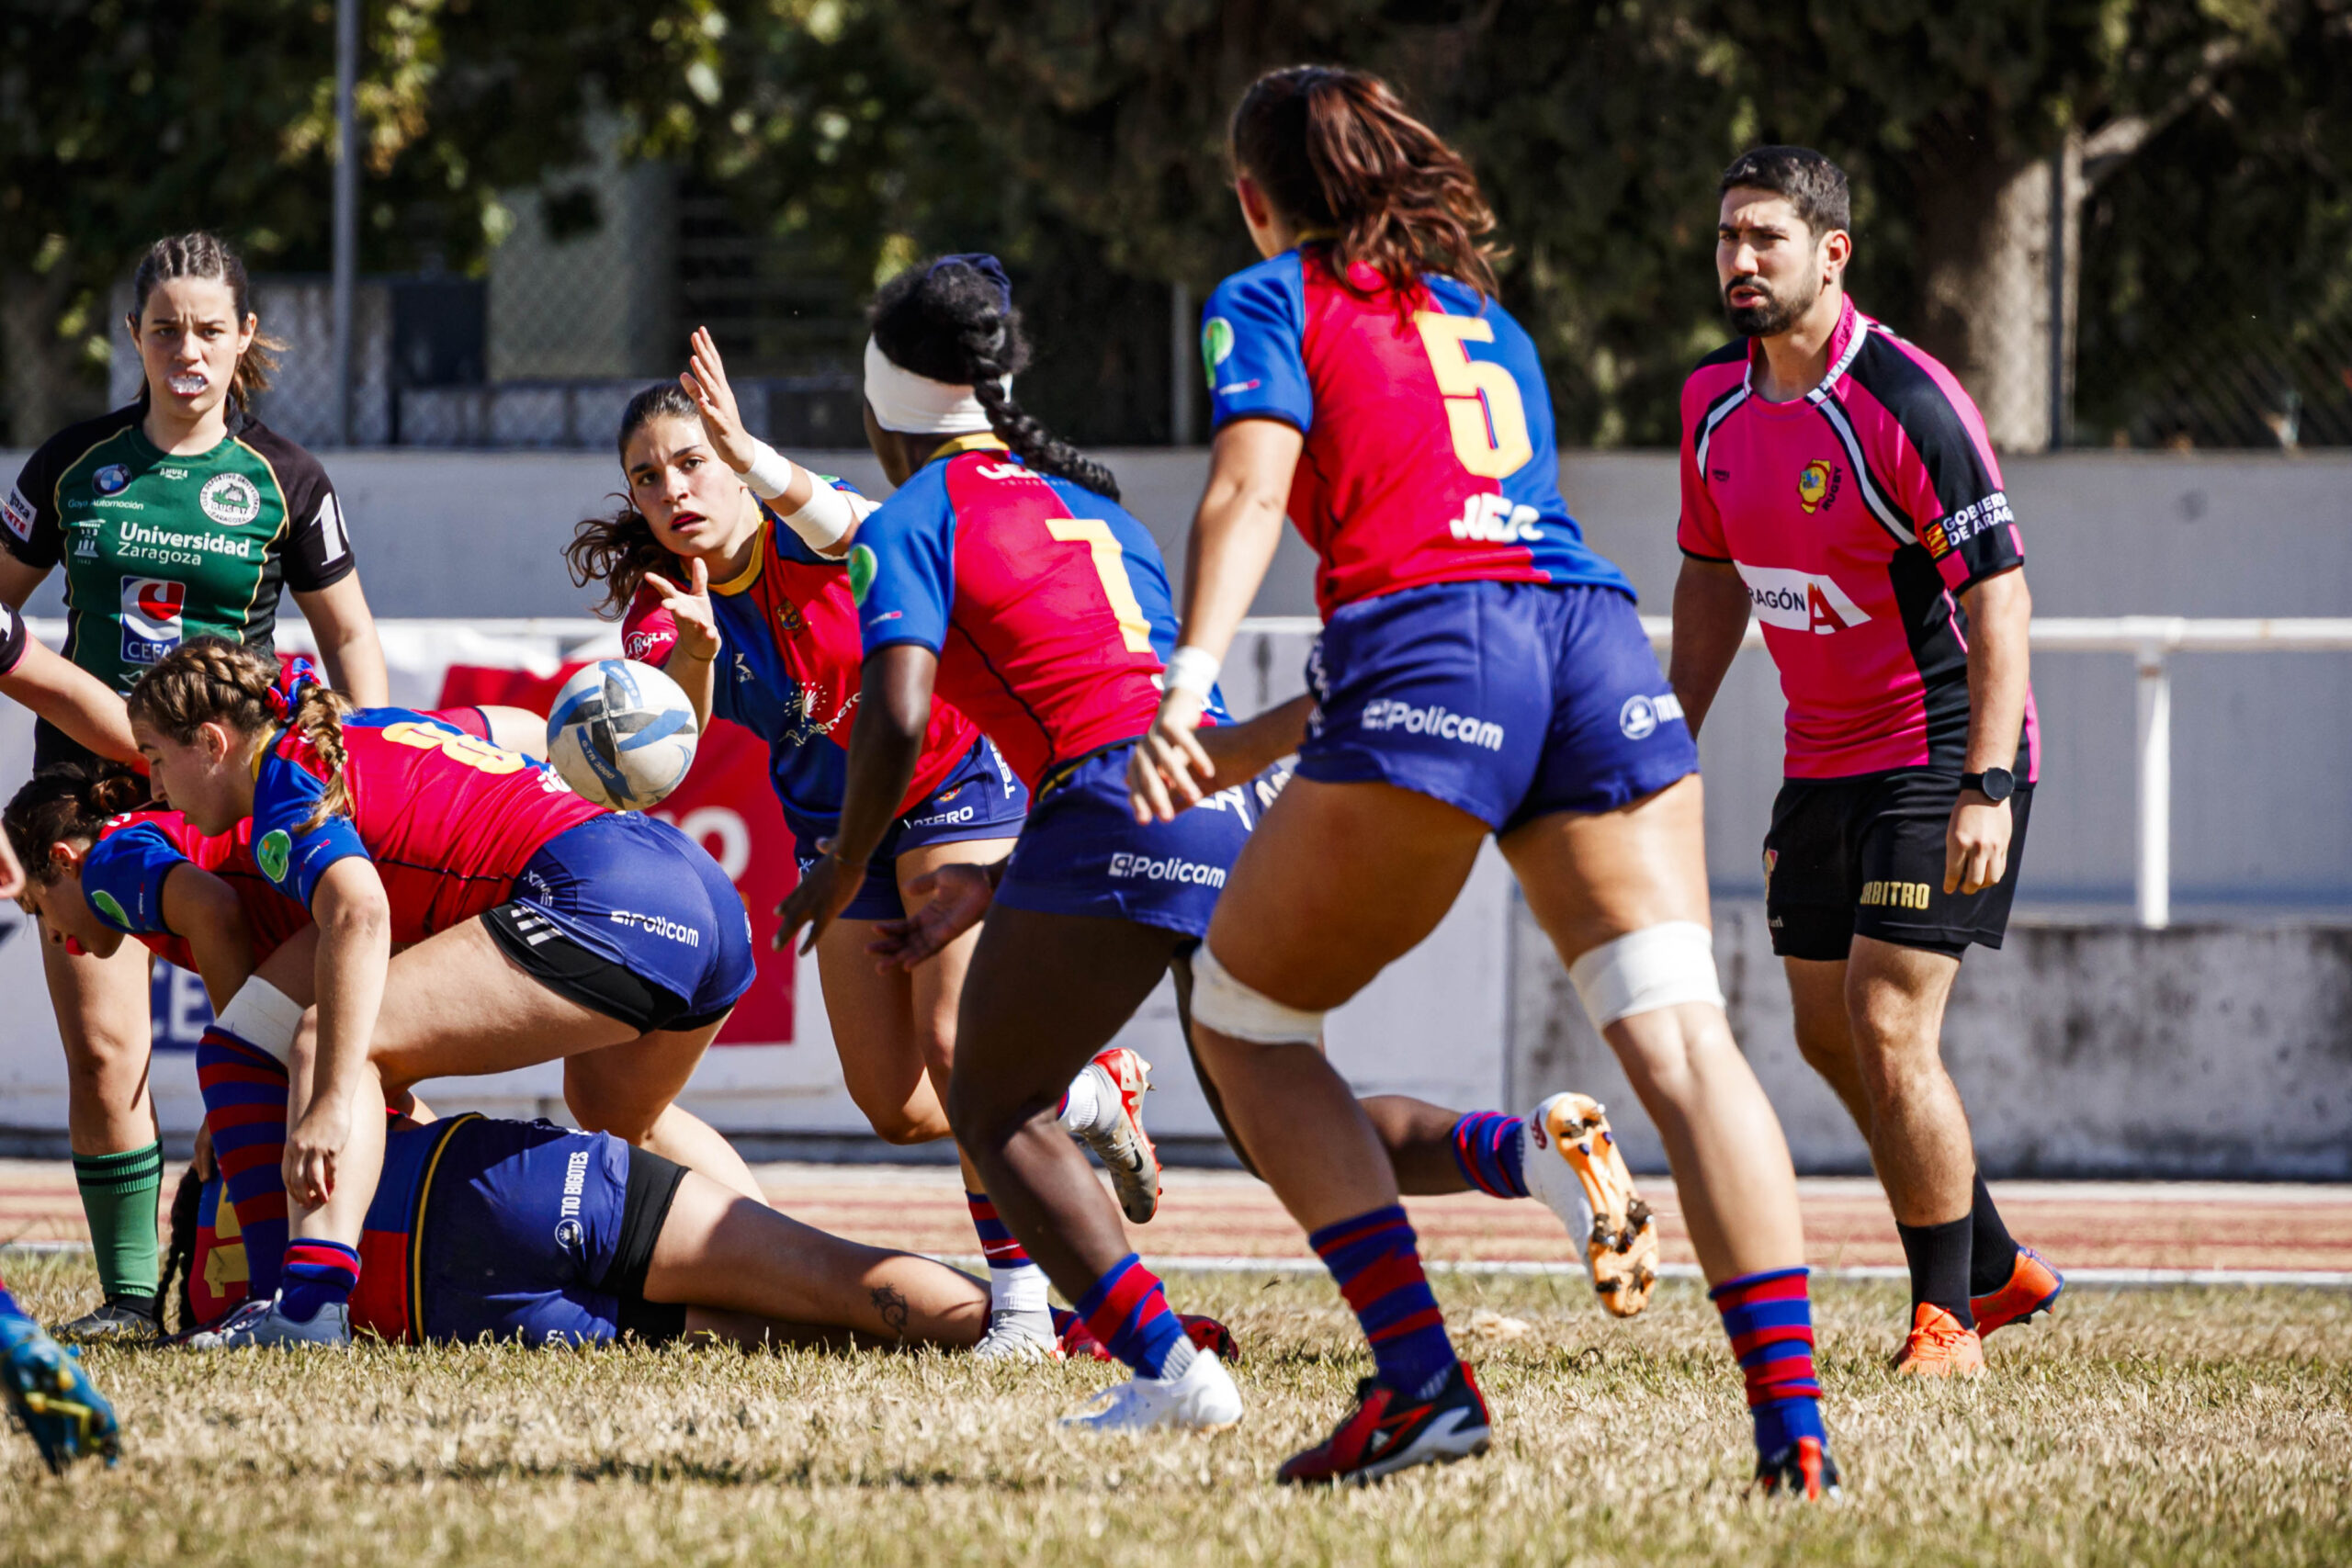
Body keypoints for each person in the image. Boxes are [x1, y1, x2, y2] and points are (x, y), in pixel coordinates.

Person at [775, 253, 1654, 1442]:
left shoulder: (910, 518)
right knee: (1278, 1112)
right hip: (1218, 800)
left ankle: (1165, 1364)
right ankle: (1520, 1152)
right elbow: (1115, 708)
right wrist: (1000, 875)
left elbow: (894, 715)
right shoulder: (1100, 510)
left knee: (991, 1101)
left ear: (884, 413)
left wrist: (843, 866)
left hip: (1111, 805)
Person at [1124, 67, 1835, 1495]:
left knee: (1245, 1022)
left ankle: (1422, 1382)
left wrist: (1186, 685)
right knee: (1688, 1045)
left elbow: (1259, 497)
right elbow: (1486, 583)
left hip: (1444, 653)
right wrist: (1255, 745)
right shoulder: (1483, 317)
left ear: (1257, 199)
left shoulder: (1268, 296)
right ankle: (1796, 1436)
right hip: (1592, 643)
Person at [564, 344, 1160, 1359]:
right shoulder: (663, 605)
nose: (673, 491)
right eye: (647, 478)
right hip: (837, 837)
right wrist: (699, 653)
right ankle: (1092, 1094)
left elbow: (875, 532)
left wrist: (762, 463)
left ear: (734, 457)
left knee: (959, 1052)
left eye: (692, 461)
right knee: (897, 1106)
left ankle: (1022, 1313)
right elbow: (672, 749)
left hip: (949, 782)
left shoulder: (813, 523)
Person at [1666, 146, 2062, 1378]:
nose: (1740, 258)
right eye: (1727, 236)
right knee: (1826, 1031)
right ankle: (1992, 1260)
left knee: (1887, 1019)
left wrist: (1986, 783)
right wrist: (1666, 737)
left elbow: (1999, 599)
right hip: (1820, 758)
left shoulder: (1906, 400)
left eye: (1766, 237)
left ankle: (1949, 1320)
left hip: (1939, 747)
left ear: (1832, 254)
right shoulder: (1710, 403)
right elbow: (1711, 576)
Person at [121, 640, 760, 1349]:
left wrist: (329, 1099)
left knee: (333, 1042)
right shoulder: (361, 727)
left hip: (606, 894)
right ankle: (790, 1263)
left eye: (154, 756)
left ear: (213, 743)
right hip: (700, 889)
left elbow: (360, 913)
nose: (155, 786)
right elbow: (510, 728)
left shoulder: (287, 780)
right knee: (623, 1115)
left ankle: (307, 1310)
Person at [1, 232, 390, 1340]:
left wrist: (361, 768)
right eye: (165, 328)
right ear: (133, 336)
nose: (188, 350)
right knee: (105, 1052)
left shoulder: (288, 480)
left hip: (228, 791)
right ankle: (131, 1298)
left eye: (210, 329)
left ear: (245, 336)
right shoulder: (71, 463)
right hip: (85, 790)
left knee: (266, 1040)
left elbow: (350, 635)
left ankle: (279, 1280)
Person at [161, 1110, 1239, 1364]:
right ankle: (1087, 1331)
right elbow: (384, 1092)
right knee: (826, 1280)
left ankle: (1066, 1334)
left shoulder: (208, 1304)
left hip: (464, 1311)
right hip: (498, 1190)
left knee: (793, 1333)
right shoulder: (243, 1123)